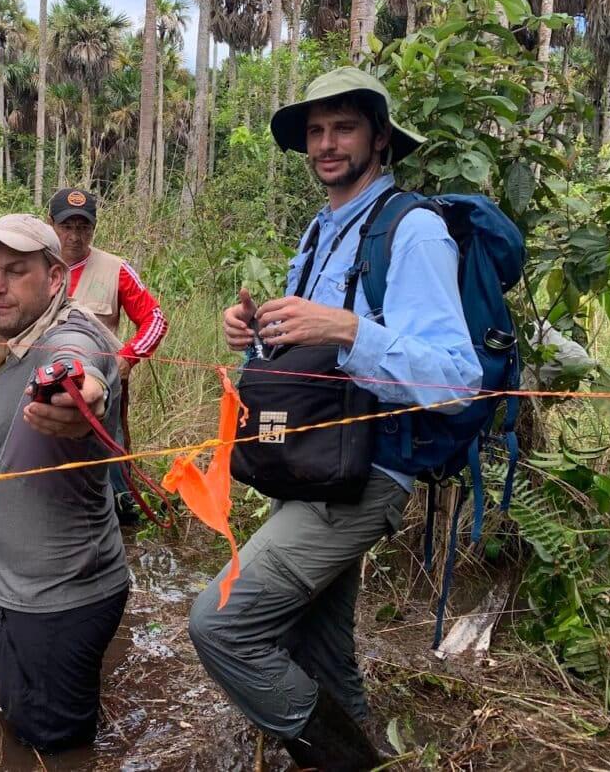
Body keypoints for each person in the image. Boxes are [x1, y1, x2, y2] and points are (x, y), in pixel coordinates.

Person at [187, 67, 483, 768]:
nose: (326, 143)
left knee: (222, 625)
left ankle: (347, 762)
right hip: (314, 465)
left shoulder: (411, 233)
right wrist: (256, 330)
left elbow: (458, 380)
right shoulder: (321, 232)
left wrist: (350, 328)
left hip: (367, 471)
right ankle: (358, 736)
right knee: (318, 643)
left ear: (379, 138)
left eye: (343, 127)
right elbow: (309, 352)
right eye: (315, 131)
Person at [0, 214, 128, 752]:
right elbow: (29, 413)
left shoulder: (68, 337)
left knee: (58, 750)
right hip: (12, 591)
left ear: (54, 280)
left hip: (53, 603)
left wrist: (81, 396)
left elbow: (79, 374)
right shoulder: (26, 338)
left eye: (16, 272)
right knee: (27, 728)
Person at [47, 187, 169, 522]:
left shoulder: (116, 269)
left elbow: (155, 319)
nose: (75, 235)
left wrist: (126, 359)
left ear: (94, 227)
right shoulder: (36, 266)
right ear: (51, 225)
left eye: (83, 227)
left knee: (110, 452)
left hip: (102, 384)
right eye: (67, 226)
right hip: (46, 382)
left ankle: (124, 517)